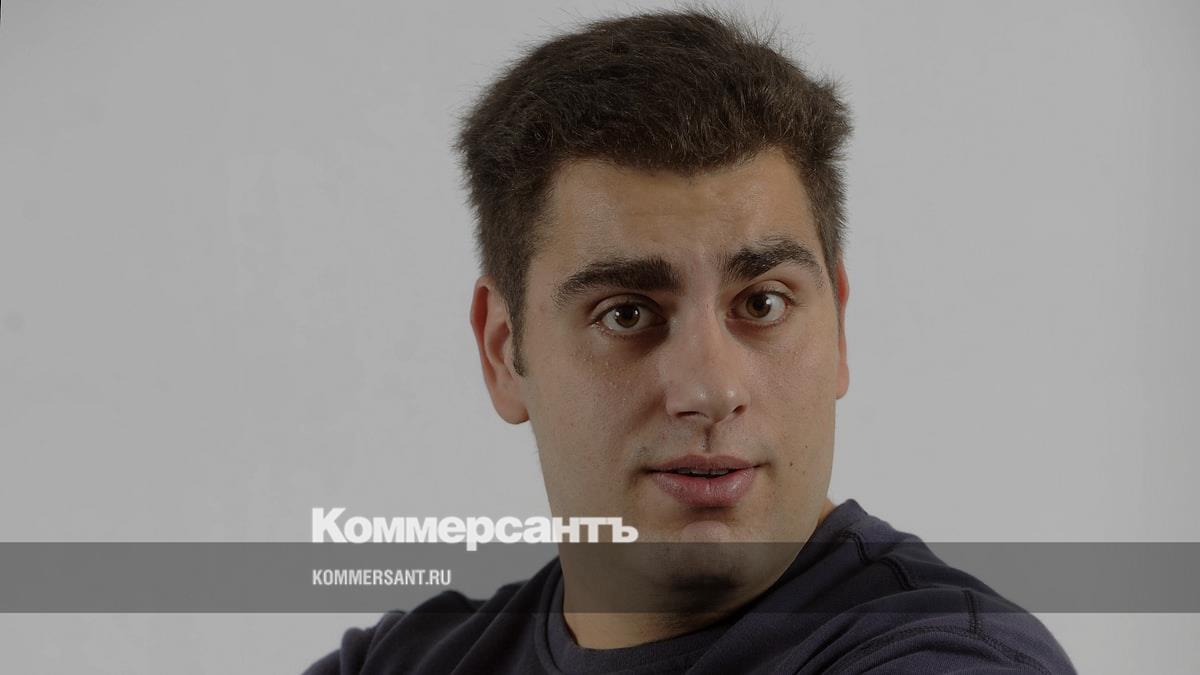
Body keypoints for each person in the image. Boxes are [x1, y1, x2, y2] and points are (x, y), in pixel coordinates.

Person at [305, 8, 1075, 674]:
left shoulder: (945, 656)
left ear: (838, 329)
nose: (710, 388)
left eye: (762, 303)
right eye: (627, 314)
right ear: (505, 351)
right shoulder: (402, 660)